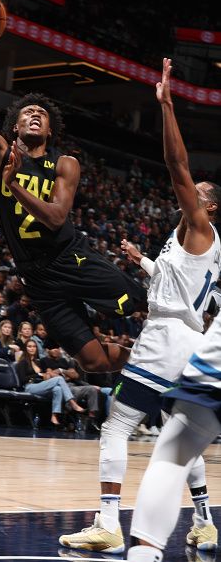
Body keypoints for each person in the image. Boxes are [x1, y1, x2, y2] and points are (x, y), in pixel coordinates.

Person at [58, 57, 221, 553]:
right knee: (180, 432)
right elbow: (182, 287)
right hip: (189, 338)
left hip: (166, 335)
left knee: (119, 423)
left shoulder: (200, 227)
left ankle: (108, 520)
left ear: (209, 206)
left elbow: (176, 165)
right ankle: (205, 521)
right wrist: (145, 263)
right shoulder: (190, 243)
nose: (192, 193)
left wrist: (167, 105)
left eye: (201, 193)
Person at [0, 30, 147, 374]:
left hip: (69, 257)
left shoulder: (64, 162)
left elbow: (56, 218)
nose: (35, 114)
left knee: (142, 303)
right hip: (35, 276)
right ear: (14, 127)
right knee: (92, 362)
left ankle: (197, 338)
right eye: (27, 112)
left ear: (50, 131)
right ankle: (153, 368)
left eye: (41, 112)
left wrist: (13, 185)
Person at [127, 308, 221, 562]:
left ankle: (143, 554)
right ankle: (204, 521)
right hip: (192, 335)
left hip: (175, 336)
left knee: (173, 455)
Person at [16, 339, 87, 427]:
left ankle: (54, 416)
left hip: (40, 385)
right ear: (25, 348)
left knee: (57, 389)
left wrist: (45, 375)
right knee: (59, 379)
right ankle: (72, 403)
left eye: (34, 346)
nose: (32, 348)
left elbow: (45, 375)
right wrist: (39, 375)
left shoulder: (38, 362)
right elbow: (22, 379)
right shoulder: (23, 362)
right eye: (29, 346)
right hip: (29, 386)